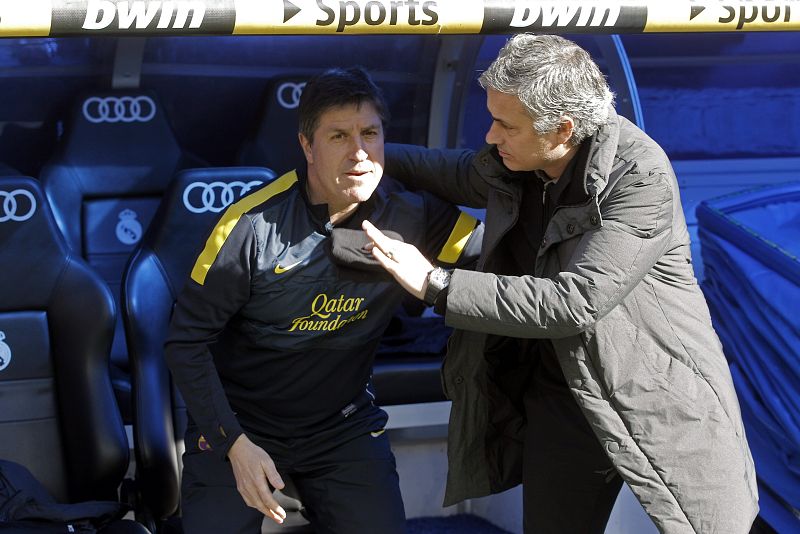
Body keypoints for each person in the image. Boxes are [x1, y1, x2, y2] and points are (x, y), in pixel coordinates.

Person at [362, 34, 758, 533]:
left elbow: (573, 303)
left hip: (654, 394)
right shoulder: (521, 161)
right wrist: (367, 151)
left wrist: (435, 282)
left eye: (506, 125)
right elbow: (456, 171)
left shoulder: (639, 175)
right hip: (562, 392)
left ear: (562, 129)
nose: (489, 136)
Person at [165, 67, 482, 534]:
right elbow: (184, 341)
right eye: (338, 136)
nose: (359, 152)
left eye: (369, 134)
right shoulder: (251, 225)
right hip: (242, 425)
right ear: (307, 145)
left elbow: (490, 257)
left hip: (342, 426)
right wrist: (231, 442)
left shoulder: (413, 212)